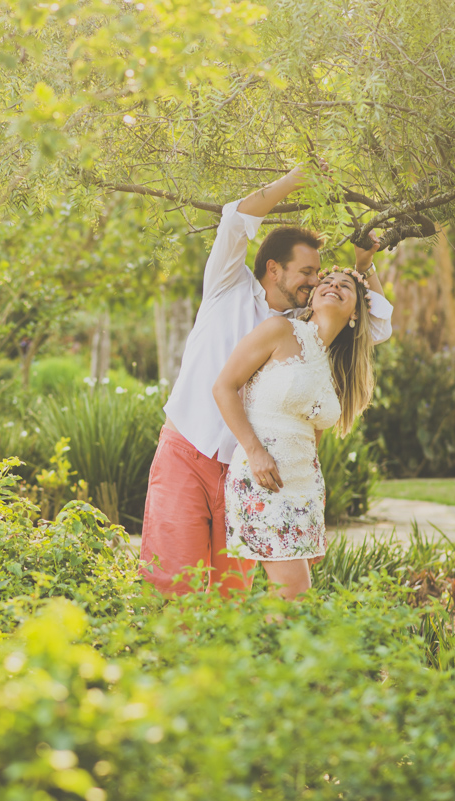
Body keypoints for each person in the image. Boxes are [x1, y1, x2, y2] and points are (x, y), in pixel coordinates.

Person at [139, 164, 393, 597]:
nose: (316, 281)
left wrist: (363, 266)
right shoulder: (227, 286)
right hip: (188, 452)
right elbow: (236, 219)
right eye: (309, 272)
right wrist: (297, 178)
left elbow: (380, 325)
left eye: (319, 276)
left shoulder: (301, 328)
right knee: (171, 586)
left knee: (228, 595)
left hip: (250, 473)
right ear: (274, 269)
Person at [213, 268, 375, 600]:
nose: (332, 286)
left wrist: (367, 265)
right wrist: (254, 452)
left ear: (356, 311)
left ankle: (266, 652)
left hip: (305, 490)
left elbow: (312, 435)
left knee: (285, 598)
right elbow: (224, 387)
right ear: (313, 297)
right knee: (296, 593)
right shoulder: (280, 330)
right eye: (326, 282)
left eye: (344, 286)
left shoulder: (336, 366)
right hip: (263, 478)